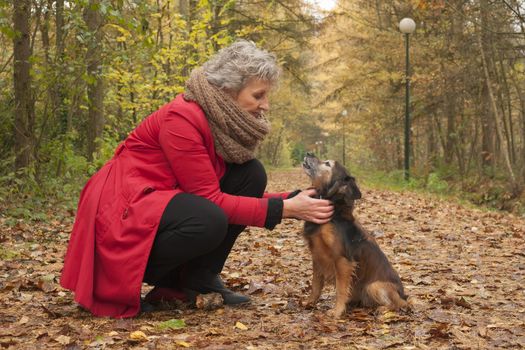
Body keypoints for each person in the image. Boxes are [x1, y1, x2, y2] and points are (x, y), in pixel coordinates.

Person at [60, 40, 334, 318]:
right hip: (124, 204)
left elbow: (218, 191)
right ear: (229, 89)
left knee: (250, 174)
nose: (265, 105)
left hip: (159, 196)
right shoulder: (182, 118)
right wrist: (285, 210)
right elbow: (211, 200)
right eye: (258, 95)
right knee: (208, 218)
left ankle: (195, 281)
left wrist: (290, 199)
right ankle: (125, 277)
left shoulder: (216, 119)